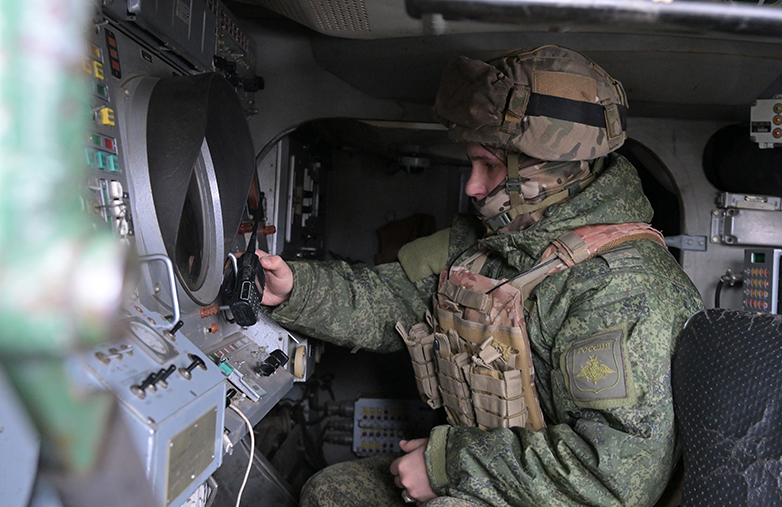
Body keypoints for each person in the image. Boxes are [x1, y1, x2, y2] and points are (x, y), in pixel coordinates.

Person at [258, 45, 704, 507]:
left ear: (552, 173)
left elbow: (611, 479)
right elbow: (394, 301)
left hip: (569, 495)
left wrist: (446, 464)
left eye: (489, 166)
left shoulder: (620, 287)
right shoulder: (494, 240)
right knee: (331, 493)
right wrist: (294, 289)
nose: (472, 186)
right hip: (505, 473)